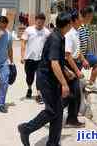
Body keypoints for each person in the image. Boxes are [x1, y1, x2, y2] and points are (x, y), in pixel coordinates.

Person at [17, 12, 73, 146]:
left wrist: (65, 70)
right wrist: (64, 84)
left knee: (58, 112)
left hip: (52, 78)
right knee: (52, 111)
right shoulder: (55, 38)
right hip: (46, 79)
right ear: (68, 25)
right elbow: (53, 63)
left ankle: (53, 143)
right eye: (72, 23)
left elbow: (56, 60)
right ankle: (26, 129)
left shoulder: (59, 36)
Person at [20, 13, 50, 104]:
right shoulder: (29, 30)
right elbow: (23, 43)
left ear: (44, 22)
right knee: (29, 77)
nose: (40, 23)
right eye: (38, 21)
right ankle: (29, 88)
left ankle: (39, 94)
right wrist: (22, 56)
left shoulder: (47, 32)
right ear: (35, 21)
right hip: (29, 58)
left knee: (40, 77)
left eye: (42, 22)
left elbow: (49, 45)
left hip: (41, 59)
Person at [63, 9, 85, 128]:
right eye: (80, 17)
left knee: (73, 93)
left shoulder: (76, 32)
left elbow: (77, 50)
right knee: (74, 93)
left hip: (75, 63)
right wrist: (76, 71)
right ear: (75, 20)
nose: (82, 18)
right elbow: (67, 55)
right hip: (69, 66)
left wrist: (83, 59)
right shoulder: (69, 34)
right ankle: (53, 113)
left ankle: (70, 118)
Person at [78, 6, 97, 94]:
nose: (92, 18)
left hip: (85, 54)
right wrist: (83, 60)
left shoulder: (86, 26)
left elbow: (86, 41)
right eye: (91, 16)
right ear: (87, 15)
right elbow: (77, 47)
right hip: (78, 56)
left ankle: (91, 84)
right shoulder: (79, 28)